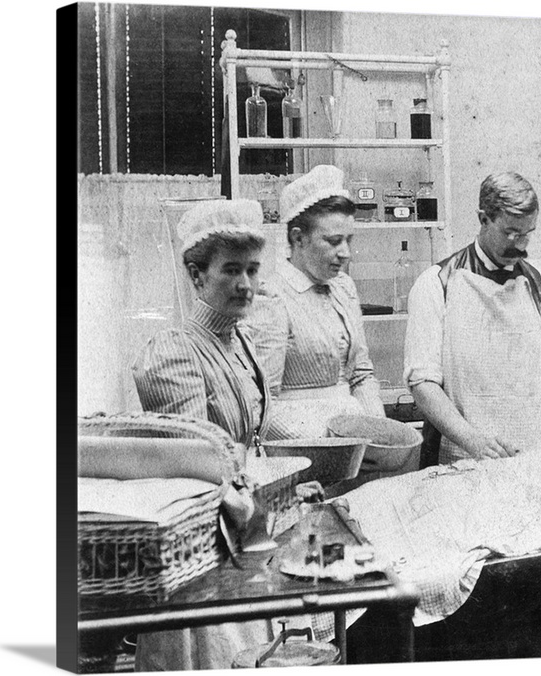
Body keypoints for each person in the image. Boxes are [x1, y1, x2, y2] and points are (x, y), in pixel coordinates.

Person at [132, 199, 276, 671]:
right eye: (231, 270)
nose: (246, 285)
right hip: (203, 551)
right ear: (196, 275)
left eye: (253, 270)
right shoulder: (173, 352)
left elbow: (252, 437)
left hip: (243, 533)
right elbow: (200, 466)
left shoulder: (241, 340)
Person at [404, 171, 541, 464]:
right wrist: (474, 442)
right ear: (483, 219)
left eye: (527, 234)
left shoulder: (540, 285)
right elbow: (423, 383)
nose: (520, 245)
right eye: (510, 233)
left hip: (535, 457)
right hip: (465, 458)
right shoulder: (437, 284)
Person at [246, 165, 386, 446]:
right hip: (304, 445)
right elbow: (260, 404)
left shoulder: (344, 288)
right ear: (298, 238)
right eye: (333, 241)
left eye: (348, 240)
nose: (345, 253)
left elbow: (360, 374)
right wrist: (331, 442)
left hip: (357, 441)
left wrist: (379, 435)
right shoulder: (271, 298)